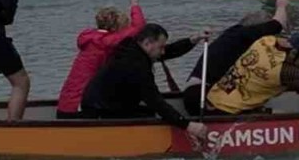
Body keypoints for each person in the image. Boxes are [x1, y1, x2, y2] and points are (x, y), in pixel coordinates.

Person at [80, 24, 209, 142]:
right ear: (147, 43)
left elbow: (168, 52)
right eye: (161, 47)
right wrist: (188, 125)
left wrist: (192, 40)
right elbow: (155, 101)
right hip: (100, 112)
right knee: (150, 113)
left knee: (148, 111)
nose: (163, 51)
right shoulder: (137, 66)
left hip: (99, 103)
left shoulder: (132, 46)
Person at [183, 0, 289, 115]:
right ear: (259, 28)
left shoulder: (233, 33)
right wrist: (281, 5)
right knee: (277, 113)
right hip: (203, 98)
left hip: (195, 93)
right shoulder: (247, 35)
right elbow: (279, 23)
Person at [56, 0, 147, 117]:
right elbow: (138, 27)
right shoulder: (105, 42)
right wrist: (134, 4)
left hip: (66, 105)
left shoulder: (91, 40)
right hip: (78, 108)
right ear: (116, 27)